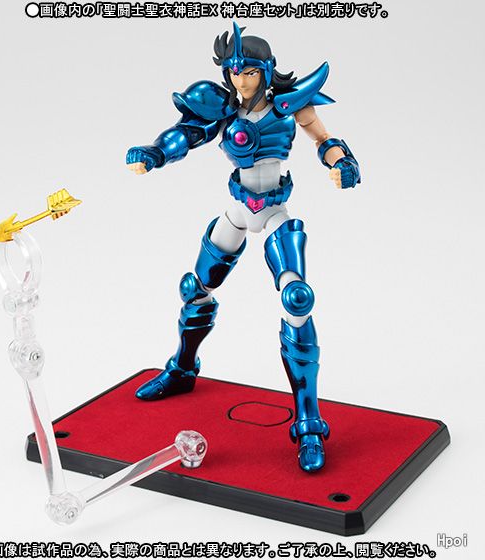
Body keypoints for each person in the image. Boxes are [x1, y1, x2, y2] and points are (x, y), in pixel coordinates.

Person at [126, 23, 361, 472]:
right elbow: (187, 134)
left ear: (266, 70)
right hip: (237, 211)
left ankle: (309, 422)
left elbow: (324, 140)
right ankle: (182, 368)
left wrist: (343, 162)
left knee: (297, 299)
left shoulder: (290, 105)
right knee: (194, 289)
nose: (241, 80)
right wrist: (155, 153)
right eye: (234, 72)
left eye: (249, 72)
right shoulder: (222, 108)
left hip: (274, 213)